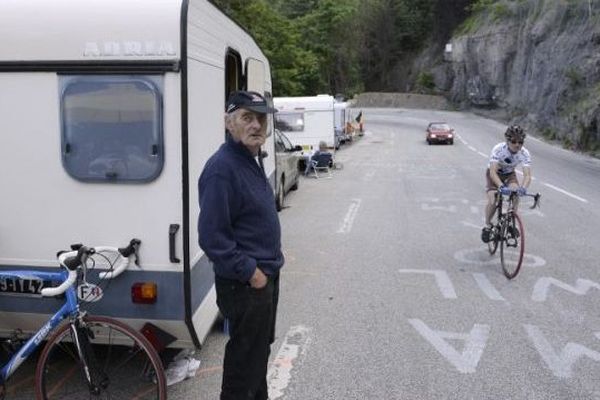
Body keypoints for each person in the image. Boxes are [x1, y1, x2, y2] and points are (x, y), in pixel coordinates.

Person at [197, 90, 284, 400]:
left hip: (263, 279)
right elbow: (211, 236)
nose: (256, 125)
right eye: (247, 117)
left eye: (261, 118)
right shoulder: (222, 168)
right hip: (246, 284)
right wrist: (252, 272)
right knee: (242, 368)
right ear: (228, 122)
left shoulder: (250, 158)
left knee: (256, 358)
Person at [481, 125, 532, 242]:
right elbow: (493, 172)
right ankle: (488, 225)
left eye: (520, 142)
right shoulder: (498, 149)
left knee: (515, 193)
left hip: (509, 174)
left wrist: (523, 188)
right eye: (513, 141)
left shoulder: (524, 153)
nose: (517, 145)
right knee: (494, 198)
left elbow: (527, 175)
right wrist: (500, 186)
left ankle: (511, 221)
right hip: (494, 174)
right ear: (507, 141)